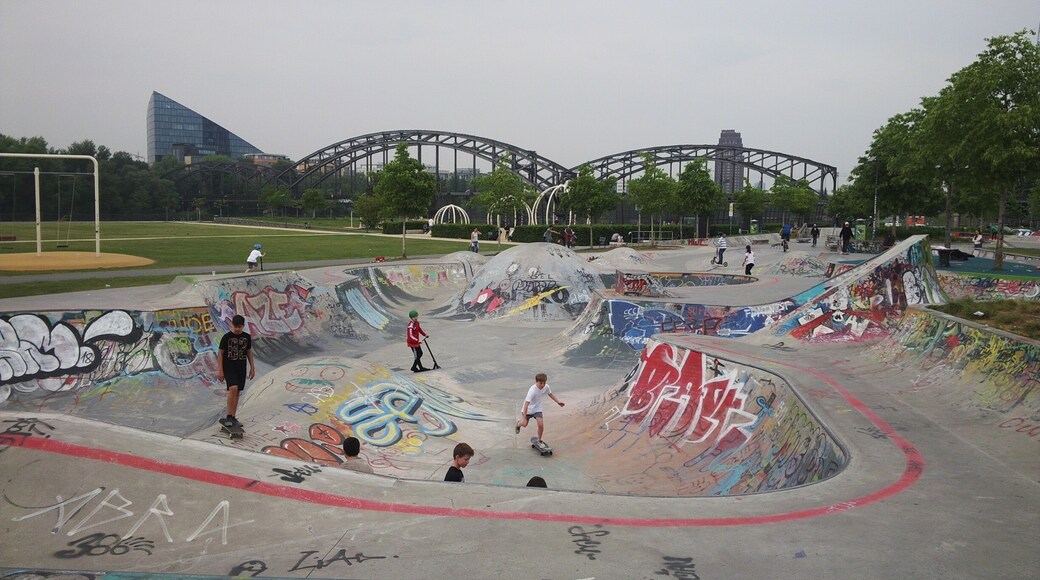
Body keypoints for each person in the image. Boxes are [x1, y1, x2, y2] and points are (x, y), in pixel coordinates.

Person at [217, 314, 254, 428]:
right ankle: (228, 416)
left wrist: (252, 367)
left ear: (243, 326)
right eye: (235, 326)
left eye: (240, 327)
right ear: (232, 325)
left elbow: (249, 352)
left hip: (241, 367)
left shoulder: (246, 337)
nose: (237, 329)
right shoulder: (226, 337)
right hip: (229, 366)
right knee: (233, 388)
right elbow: (220, 353)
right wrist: (220, 370)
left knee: (237, 392)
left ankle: (233, 417)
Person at [515, 372, 565, 444]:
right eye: (540, 383)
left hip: (537, 408)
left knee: (541, 425)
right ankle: (518, 424)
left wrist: (558, 402)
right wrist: (524, 418)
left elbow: (550, 394)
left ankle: (539, 440)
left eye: (544, 383)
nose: (542, 385)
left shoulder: (546, 387)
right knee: (524, 424)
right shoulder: (532, 390)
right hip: (528, 409)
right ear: (536, 382)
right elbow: (526, 404)